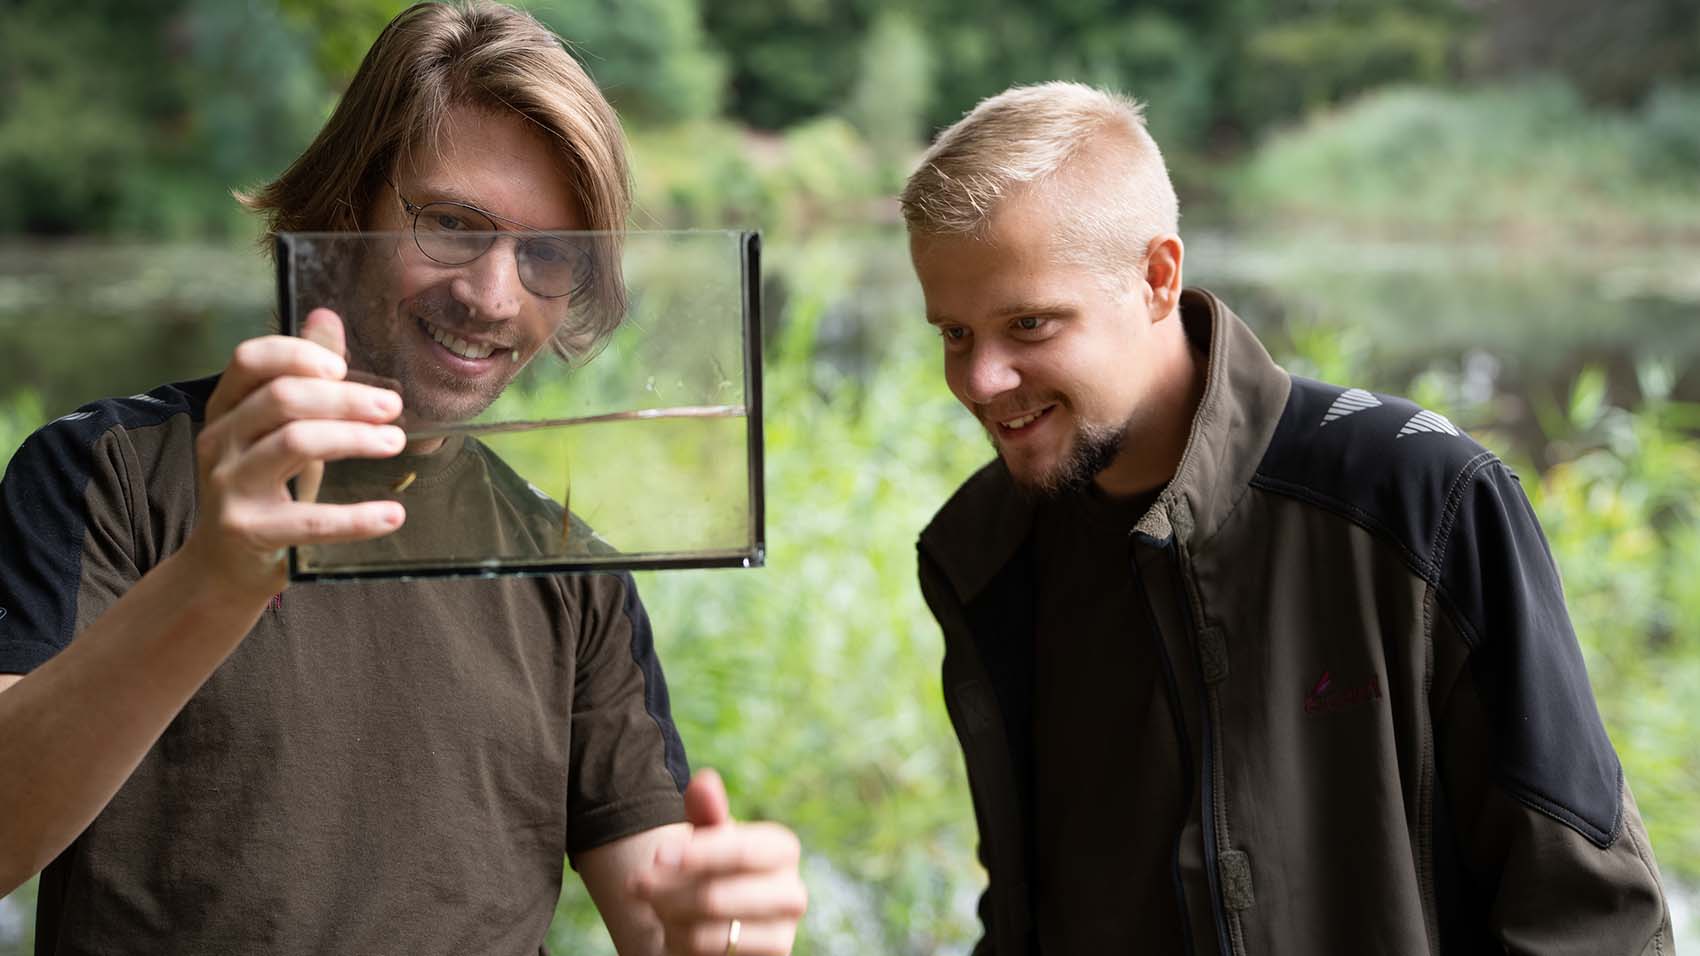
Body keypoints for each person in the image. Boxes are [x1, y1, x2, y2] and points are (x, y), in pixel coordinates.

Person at [0, 3, 804, 954]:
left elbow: (666, 913)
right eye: (454, 224)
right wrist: (217, 578)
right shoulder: (109, 473)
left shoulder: (567, 561)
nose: (492, 296)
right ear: (347, 210)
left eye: (548, 254)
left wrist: (725, 923)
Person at [903, 81, 1674, 955]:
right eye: (955, 335)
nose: (978, 380)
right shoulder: (982, 551)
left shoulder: (1416, 495)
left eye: (1028, 324)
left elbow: (1593, 924)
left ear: (1158, 278)